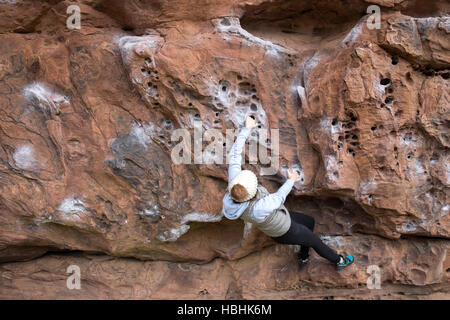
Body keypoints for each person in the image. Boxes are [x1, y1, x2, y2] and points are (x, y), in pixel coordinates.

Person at [222, 116, 354, 270]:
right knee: (315, 241)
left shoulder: (234, 186)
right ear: (251, 193)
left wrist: (247, 128)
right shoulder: (258, 208)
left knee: (309, 222)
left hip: (281, 217)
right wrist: (291, 180)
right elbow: (278, 198)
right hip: (284, 231)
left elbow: (235, 155)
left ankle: (304, 256)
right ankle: (339, 261)